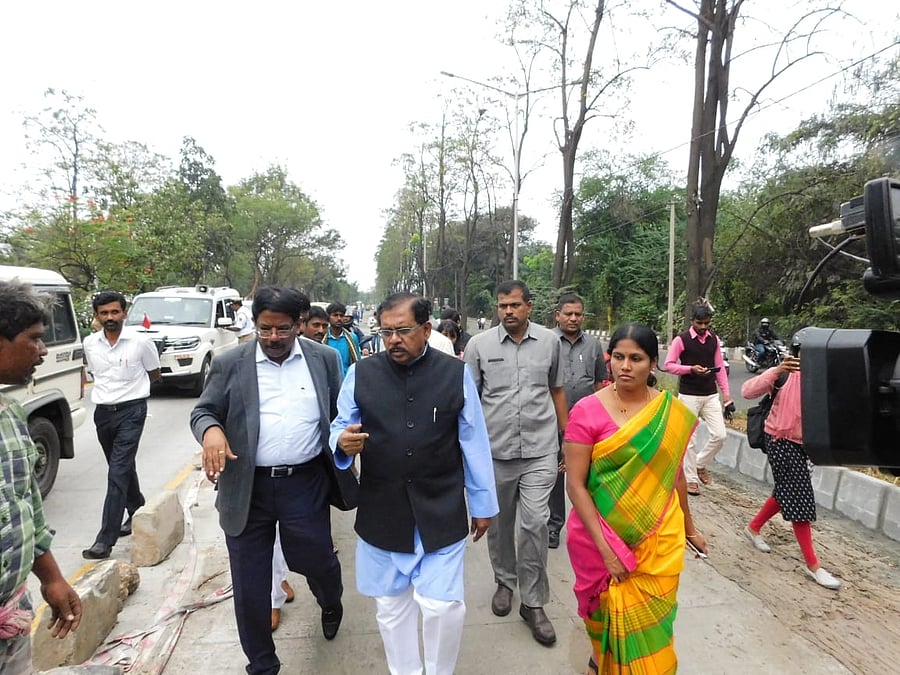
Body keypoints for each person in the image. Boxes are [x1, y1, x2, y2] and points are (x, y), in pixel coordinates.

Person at [330, 292, 498, 675]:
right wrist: (341, 441)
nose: (393, 340)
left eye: (403, 330)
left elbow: (474, 442)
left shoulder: (455, 374)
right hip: (382, 508)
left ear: (426, 329)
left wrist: (483, 505)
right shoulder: (361, 374)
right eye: (386, 332)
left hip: (440, 506)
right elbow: (340, 424)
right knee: (391, 608)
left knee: (443, 607)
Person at [191, 287, 345, 674]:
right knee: (250, 585)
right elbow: (203, 411)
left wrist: (349, 440)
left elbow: (341, 413)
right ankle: (262, 664)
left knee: (317, 561)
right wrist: (211, 431)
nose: (273, 337)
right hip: (248, 488)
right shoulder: (230, 363)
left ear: (299, 323)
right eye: (265, 329)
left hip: (305, 483)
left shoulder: (323, 359)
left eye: (283, 329)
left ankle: (330, 601)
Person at [564, 322, 707, 675]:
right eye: (618, 357)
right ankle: (601, 660)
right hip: (598, 538)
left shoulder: (668, 412)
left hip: (658, 540)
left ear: (653, 363)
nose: (625, 366)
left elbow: (674, 475)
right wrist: (607, 551)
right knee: (603, 622)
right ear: (609, 359)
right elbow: (576, 485)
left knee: (654, 637)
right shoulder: (586, 410)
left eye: (636, 358)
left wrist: (690, 528)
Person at [463, 280, 568, 647]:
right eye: (502, 305)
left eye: (514, 305)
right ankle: (505, 582)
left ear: (529, 306)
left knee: (535, 523)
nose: (508, 311)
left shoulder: (550, 343)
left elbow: (557, 390)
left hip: (540, 449)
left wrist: (568, 439)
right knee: (500, 524)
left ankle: (534, 602)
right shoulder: (479, 346)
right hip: (495, 453)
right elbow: (470, 401)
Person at [0, 281, 82, 670]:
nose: (43, 350)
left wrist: (52, 579)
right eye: (33, 338)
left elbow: (25, 506)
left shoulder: (11, 415)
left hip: (12, 617)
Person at [741, 332, 841, 590]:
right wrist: (776, 371)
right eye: (805, 353)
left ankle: (753, 528)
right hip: (780, 440)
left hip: (807, 445)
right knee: (799, 499)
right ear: (796, 353)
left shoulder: (822, 378)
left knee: (786, 491)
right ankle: (813, 565)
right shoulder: (783, 375)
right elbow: (747, 391)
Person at [82, 291, 161, 560]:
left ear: (124, 313)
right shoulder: (90, 343)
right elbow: (94, 373)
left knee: (117, 472)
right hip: (103, 413)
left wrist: (133, 392)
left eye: (115, 312)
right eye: (104, 313)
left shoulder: (140, 342)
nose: (110, 317)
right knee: (121, 467)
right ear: (97, 316)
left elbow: (154, 373)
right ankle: (136, 506)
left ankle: (105, 540)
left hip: (132, 411)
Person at [548, 293, 608, 550]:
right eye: (568, 314)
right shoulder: (547, 342)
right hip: (551, 419)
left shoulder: (593, 345)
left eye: (578, 314)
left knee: (586, 475)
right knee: (555, 475)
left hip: (586, 424)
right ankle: (553, 526)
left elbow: (600, 382)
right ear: (557, 315)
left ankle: (589, 527)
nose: (573, 318)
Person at [663, 303, 733, 496]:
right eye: (699, 323)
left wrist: (727, 395)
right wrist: (690, 369)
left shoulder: (714, 340)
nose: (703, 327)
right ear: (692, 321)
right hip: (688, 395)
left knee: (720, 435)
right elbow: (669, 365)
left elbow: (720, 367)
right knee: (689, 440)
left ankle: (700, 464)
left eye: (706, 323)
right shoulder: (681, 340)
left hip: (710, 394)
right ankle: (691, 479)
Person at [324, 301, 361, 376]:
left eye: (341, 315)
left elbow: (357, 362)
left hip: (347, 380)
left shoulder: (352, 338)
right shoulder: (323, 338)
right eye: (335, 315)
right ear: (328, 317)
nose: (339, 318)